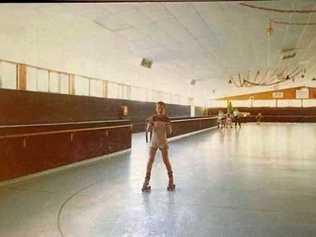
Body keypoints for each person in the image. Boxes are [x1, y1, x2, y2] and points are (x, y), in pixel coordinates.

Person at [142, 101, 176, 192]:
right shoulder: (153, 118)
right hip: (154, 142)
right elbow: (148, 130)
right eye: (158, 108)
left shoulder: (167, 119)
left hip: (163, 142)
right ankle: (146, 182)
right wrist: (150, 124)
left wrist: (168, 126)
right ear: (156, 109)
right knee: (150, 160)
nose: (160, 109)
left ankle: (171, 180)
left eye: (161, 108)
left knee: (165, 160)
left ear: (164, 109)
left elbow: (169, 132)